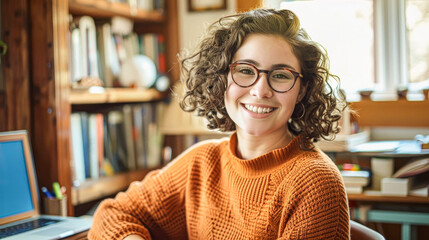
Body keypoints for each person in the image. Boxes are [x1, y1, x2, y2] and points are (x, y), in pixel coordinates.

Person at [89, 8, 350, 240]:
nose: (260, 91)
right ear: (221, 78)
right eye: (246, 70)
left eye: (280, 75)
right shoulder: (201, 162)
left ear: (302, 90)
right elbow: (113, 214)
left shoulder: (315, 183)